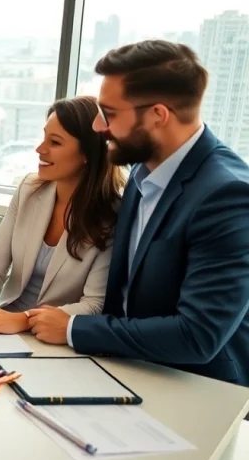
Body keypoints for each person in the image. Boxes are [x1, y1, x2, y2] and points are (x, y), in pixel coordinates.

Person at [28, 40, 249, 387]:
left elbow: (197, 335)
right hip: (122, 366)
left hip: (192, 384)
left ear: (158, 115)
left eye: (110, 114)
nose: (98, 126)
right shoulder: (141, 171)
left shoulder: (228, 196)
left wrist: (72, 328)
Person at [0, 96, 124, 334]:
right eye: (44, 137)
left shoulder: (113, 212)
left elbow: (94, 304)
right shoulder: (29, 189)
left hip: (55, 336)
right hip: (3, 323)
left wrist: (24, 320)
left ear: (87, 153)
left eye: (55, 142)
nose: (40, 149)